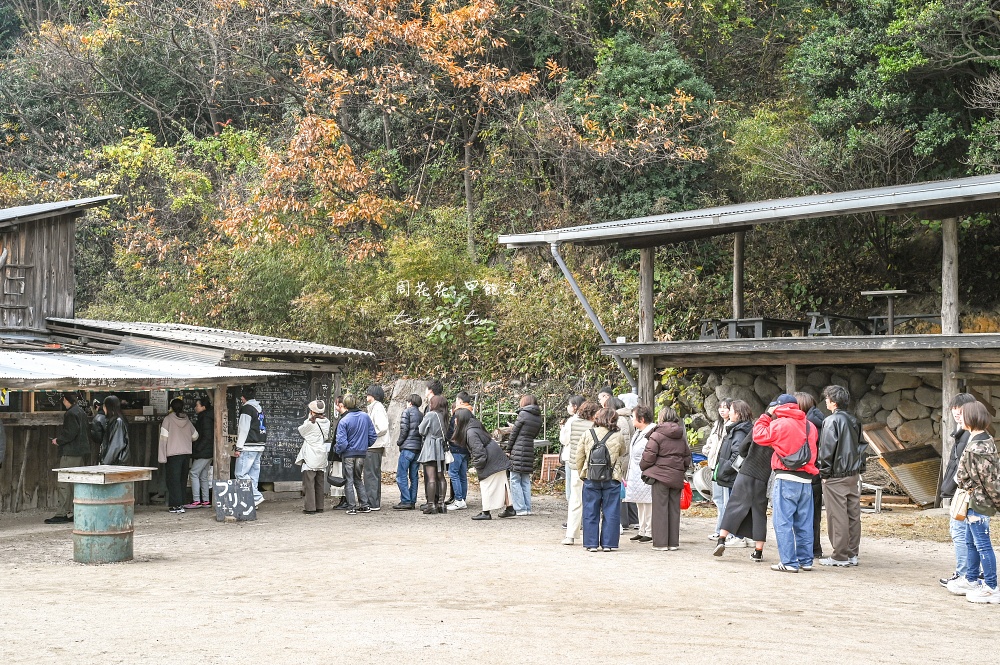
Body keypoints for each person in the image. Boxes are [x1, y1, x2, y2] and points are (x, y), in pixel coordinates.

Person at [752, 394, 819, 573]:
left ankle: (789, 562)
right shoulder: (810, 426)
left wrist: (766, 415)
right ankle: (806, 560)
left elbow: (758, 436)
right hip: (806, 480)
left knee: (783, 522)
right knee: (804, 523)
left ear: (779, 407)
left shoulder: (779, 424)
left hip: (786, 478)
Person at [950, 400, 1000, 603]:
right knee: (972, 542)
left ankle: (991, 587)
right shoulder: (985, 440)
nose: (959, 418)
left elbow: (990, 481)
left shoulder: (976, 447)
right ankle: (971, 579)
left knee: (982, 545)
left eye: (963, 415)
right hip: (976, 501)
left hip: (977, 502)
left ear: (971, 418)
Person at [713, 400, 769, 561]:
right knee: (759, 513)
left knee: (733, 505)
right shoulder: (778, 429)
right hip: (763, 476)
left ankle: (721, 539)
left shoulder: (756, 427)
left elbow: (742, 449)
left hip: (747, 472)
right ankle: (758, 552)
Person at [818, 385, 864, 567]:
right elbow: (861, 447)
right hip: (853, 474)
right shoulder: (855, 420)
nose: (826, 401)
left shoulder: (831, 421)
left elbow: (827, 450)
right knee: (853, 515)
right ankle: (852, 554)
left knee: (837, 516)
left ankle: (839, 556)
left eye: (827, 398)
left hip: (836, 475)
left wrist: (824, 473)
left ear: (833, 402)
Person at [640, 406, 692, 551]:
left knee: (660, 509)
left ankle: (661, 543)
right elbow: (687, 457)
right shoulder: (681, 435)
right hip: (676, 476)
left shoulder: (657, 435)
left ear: (661, 417)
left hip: (660, 476)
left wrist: (644, 467)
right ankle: (673, 543)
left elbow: (648, 456)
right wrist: (681, 469)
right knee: (674, 509)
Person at [939, 392, 978, 587]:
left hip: (964, 491)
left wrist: (952, 485)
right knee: (967, 534)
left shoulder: (969, 435)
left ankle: (965, 574)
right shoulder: (964, 433)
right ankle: (970, 573)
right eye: (954, 408)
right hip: (964, 490)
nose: (956, 412)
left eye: (960, 409)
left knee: (960, 532)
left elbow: (963, 468)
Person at [577, 406, 627, 551]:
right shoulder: (618, 435)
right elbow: (623, 452)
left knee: (590, 510)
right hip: (612, 477)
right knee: (611, 511)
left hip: (591, 477)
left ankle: (591, 544)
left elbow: (579, 457)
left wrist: (583, 473)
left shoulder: (588, 433)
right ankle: (608, 544)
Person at [457, 408, 513, 520]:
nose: (455, 421)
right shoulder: (475, 426)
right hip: (496, 455)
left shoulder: (470, 432)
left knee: (486, 484)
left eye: (456, 418)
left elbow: (478, 451)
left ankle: (486, 512)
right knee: (503, 483)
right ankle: (510, 508)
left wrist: (478, 466)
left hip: (490, 459)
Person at [44, 393, 91, 525]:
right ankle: (76, 511)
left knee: (64, 482)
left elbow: (70, 433)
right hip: (80, 452)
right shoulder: (80, 411)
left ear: (65, 400)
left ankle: (62, 513)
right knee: (77, 482)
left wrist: (58, 440)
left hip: (70, 452)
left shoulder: (70, 413)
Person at [712, 398, 751, 549]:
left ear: (738, 414)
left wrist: (726, 468)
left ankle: (738, 536)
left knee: (733, 506)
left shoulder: (739, 431)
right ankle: (742, 536)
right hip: (736, 474)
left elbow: (738, 454)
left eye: (731, 410)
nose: (728, 413)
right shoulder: (741, 428)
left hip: (734, 475)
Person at [562, 400, 600, 545]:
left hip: (575, 466)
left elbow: (565, 440)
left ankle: (570, 535)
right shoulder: (595, 426)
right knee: (593, 500)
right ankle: (592, 535)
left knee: (575, 500)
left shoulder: (572, 422)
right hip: (592, 467)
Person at [795, 392, 826, 560]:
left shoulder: (808, 425)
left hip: (809, 473)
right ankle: (815, 548)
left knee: (805, 514)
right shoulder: (821, 421)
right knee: (814, 515)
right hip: (817, 473)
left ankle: (809, 550)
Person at [334, 394, 376, 514]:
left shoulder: (344, 420)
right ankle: (364, 504)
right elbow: (373, 436)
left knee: (349, 480)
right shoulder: (365, 416)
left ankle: (351, 506)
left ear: (345, 405)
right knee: (358, 478)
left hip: (348, 454)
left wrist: (338, 450)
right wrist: (364, 445)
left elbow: (341, 442)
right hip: (361, 454)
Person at [159, 398, 198, 514]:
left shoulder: (168, 420)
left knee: (173, 480)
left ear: (171, 408)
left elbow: (163, 440)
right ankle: (181, 504)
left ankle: (176, 505)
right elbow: (195, 436)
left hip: (173, 455)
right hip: (186, 454)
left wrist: (162, 457)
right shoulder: (187, 419)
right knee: (182, 480)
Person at [624, 404, 656, 543]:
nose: (631, 420)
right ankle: (642, 529)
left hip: (646, 472)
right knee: (640, 502)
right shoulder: (638, 432)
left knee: (648, 503)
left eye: (633, 417)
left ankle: (649, 530)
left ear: (641, 419)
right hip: (636, 473)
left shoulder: (652, 433)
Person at [505, 394, 542, 516]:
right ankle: (527, 508)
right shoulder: (538, 417)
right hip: (529, 447)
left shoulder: (523, 414)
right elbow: (534, 434)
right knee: (525, 480)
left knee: (515, 479)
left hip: (518, 448)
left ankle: (520, 508)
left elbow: (514, 433)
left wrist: (508, 449)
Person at [702, 398, 733, 540]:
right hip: (714, 465)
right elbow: (710, 441)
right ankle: (720, 529)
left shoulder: (733, 425)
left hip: (725, 467)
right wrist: (706, 450)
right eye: (720, 407)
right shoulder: (717, 424)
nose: (722, 410)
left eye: (725, 408)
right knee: (718, 498)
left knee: (726, 501)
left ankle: (724, 531)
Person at [295, 400, 331, 514]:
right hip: (321, 454)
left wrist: (308, 419)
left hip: (311, 455)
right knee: (320, 482)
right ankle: (320, 506)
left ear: (312, 411)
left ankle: (310, 507)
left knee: (309, 483)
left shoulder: (310, 424)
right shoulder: (327, 422)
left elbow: (301, 431)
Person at [234, 386, 267, 508]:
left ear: (243, 398)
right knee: (253, 475)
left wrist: (238, 448)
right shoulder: (259, 409)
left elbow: (243, 429)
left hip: (248, 446)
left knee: (241, 474)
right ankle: (252, 502)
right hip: (259, 445)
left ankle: (256, 496)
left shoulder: (247, 409)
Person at [418, 394, 449, 514]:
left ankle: (431, 505)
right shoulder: (444, 416)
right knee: (441, 476)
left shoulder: (431, 415)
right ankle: (441, 503)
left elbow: (421, 430)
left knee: (431, 477)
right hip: (440, 448)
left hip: (431, 448)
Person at [184, 396, 214, 509]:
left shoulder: (205, 418)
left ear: (203, 407)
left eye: (197, 405)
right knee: (203, 475)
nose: (195, 407)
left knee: (193, 473)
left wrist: (198, 448)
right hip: (209, 451)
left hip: (204, 451)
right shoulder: (208, 416)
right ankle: (205, 500)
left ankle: (196, 500)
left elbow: (207, 436)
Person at [394, 393, 423, 510]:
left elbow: (404, 429)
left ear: (410, 402)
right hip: (418, 449)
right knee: (414, 476)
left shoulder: (407, 412)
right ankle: (412, 500)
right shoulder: (422, 415)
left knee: (401, 475)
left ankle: (405, 500)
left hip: (407, 448)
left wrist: (399, 442)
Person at [447, 391, 474, 510]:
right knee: (463, 475)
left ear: (461, 401)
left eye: (457, 400)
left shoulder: (457, 413)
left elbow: (451, 431)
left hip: (456, 448)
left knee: (453, 473)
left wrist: (448, 439)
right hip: (466, 449)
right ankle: (462, 498)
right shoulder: (471, 413)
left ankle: (458, 499)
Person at [365, 385, 390, 511]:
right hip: (375, 445)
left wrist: (369, 435)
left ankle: (372, 503)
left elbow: (382, 427)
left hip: (374, 445)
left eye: (368, 393)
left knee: (370, 475)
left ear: (373, 395)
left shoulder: (378, 408)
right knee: (373, 474)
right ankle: (374, 501)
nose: (367, 395)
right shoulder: (375, 407)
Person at [559, 396, 585, 501]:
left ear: (575, 406)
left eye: (569, 405)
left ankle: (572, 507)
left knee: (571, 485)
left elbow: (564, 440)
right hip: (583, 456)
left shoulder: (571, 421)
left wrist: (562, 430)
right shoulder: (588, 419)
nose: (568, 407)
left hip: (571, 455)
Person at [329, 395, 349, 510]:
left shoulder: (344, 419)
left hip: (341, 453)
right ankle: (344, 499)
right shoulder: (346, 417)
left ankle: (345, 500)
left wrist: (338, 450)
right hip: (343, 453)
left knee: (342, 476)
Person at [99, 395, 130, 466]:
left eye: (104, 406)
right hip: (115, 462)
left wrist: (105, 462)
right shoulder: (115, 420)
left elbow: (116, 445)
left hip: (116, 463)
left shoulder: (118, 421)